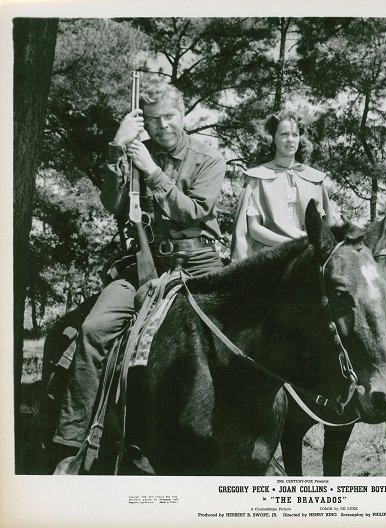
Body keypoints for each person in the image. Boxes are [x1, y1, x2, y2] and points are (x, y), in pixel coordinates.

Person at [53, 79, 226, 455]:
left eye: (170, 116)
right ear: (142, 121)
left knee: (229, 339)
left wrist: (150, 170)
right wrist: (117, 148)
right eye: (152, 119)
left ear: (183, 115)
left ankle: (240, 439)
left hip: (198, 261)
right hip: (141, 264)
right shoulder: (132, 151)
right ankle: (73, 441)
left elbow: (193, 211)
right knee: (93, 330)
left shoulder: (209, 158)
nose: (163, 125)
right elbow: (113, 205)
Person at [230, 112, 332, 261]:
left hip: (309, 258)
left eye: (295, 135)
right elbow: (253, 229)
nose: (290, 139)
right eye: (284, 134)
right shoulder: (257, 177)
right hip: (272, 258)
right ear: (273, 138)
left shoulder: (315, 179)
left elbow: (326, 229)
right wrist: (292, 243)